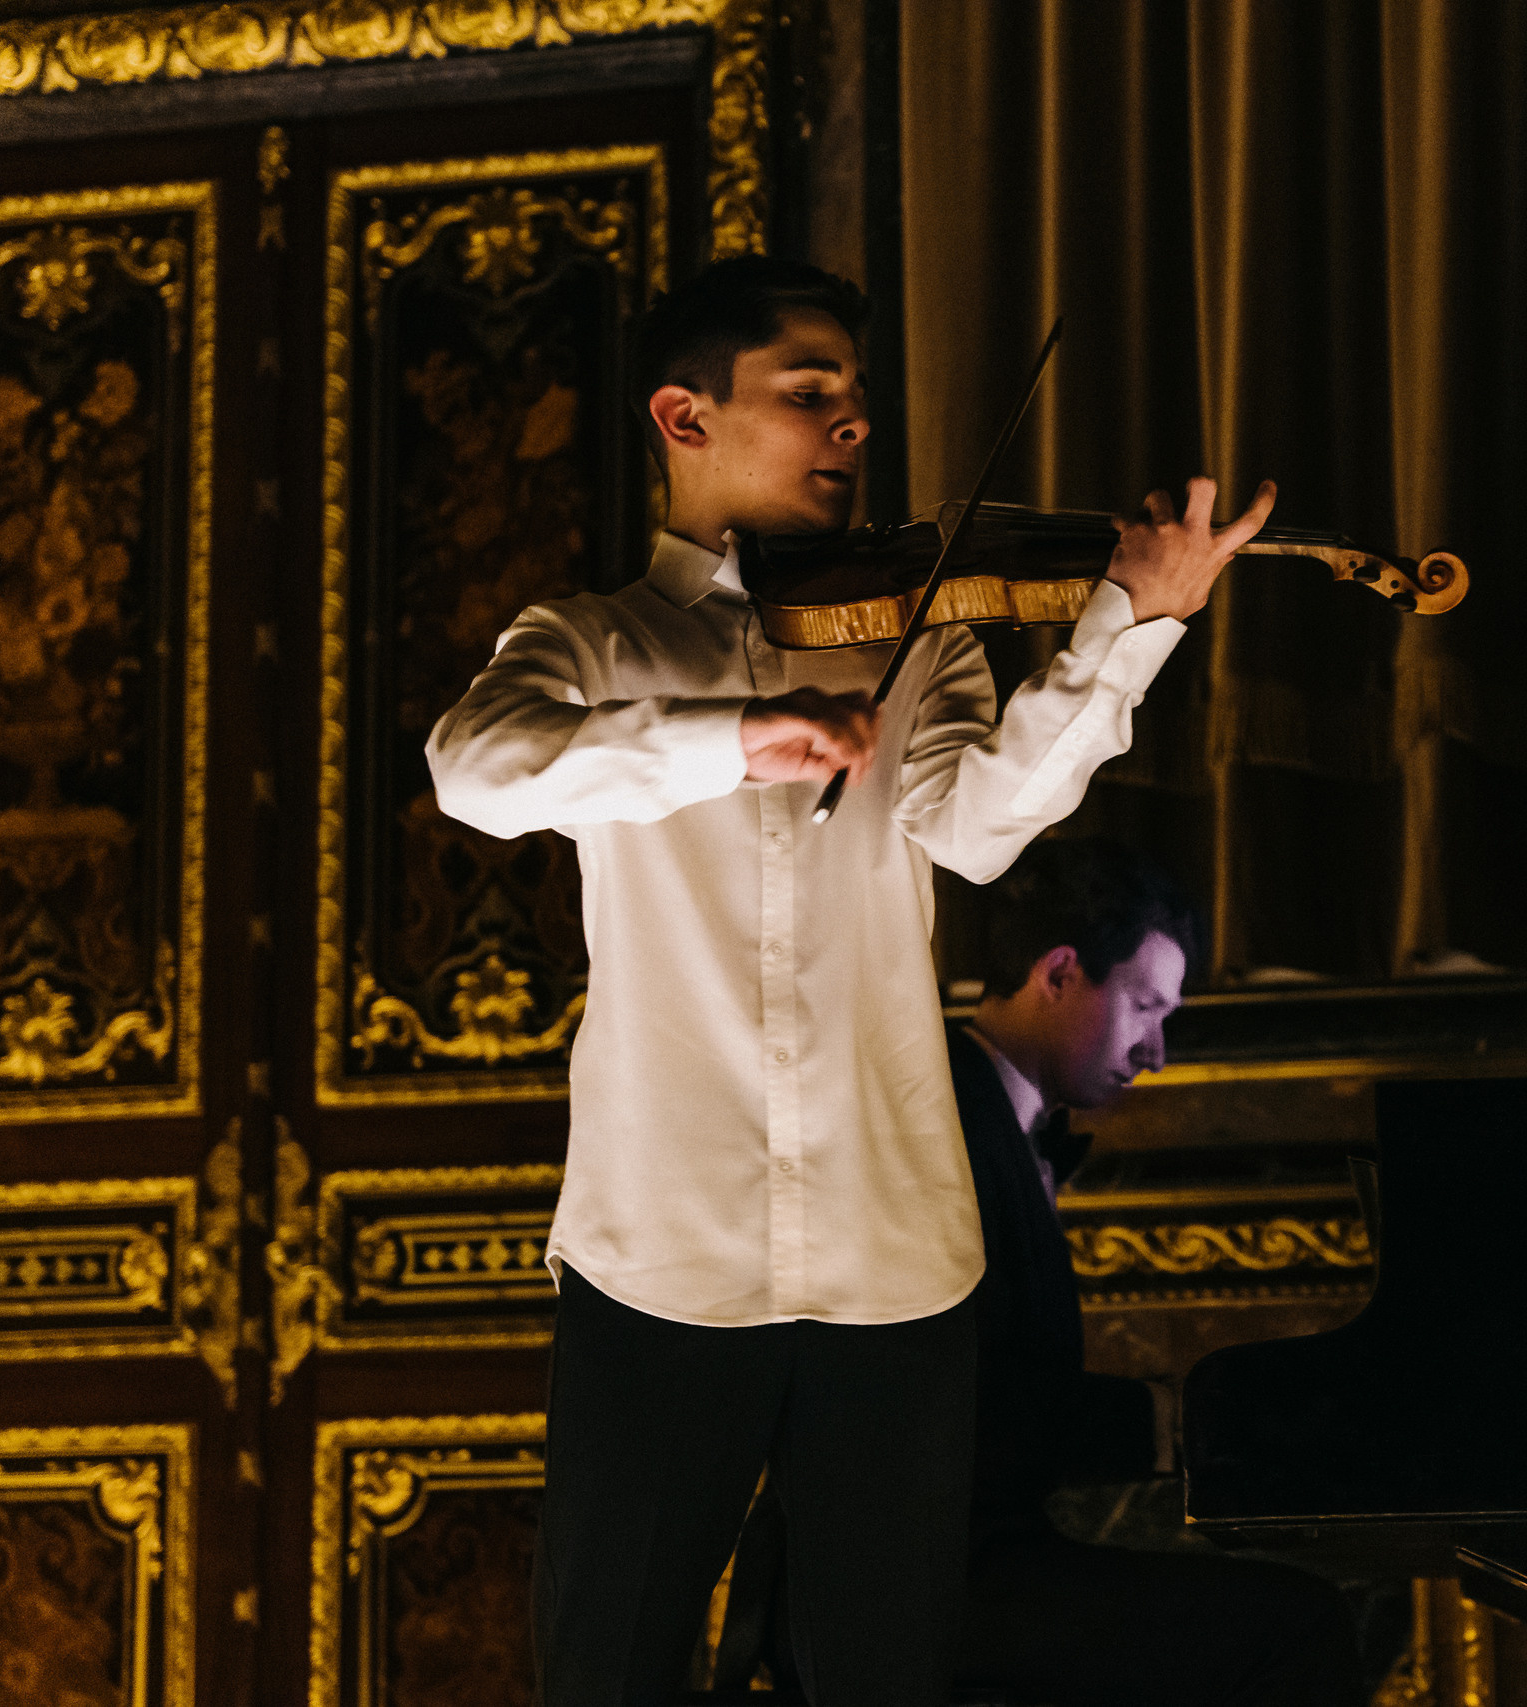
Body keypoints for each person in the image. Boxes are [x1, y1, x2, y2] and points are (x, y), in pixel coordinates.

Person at [423, 257, 1276, 1707]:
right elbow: (476, 768)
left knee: (878, 1672)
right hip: (659, 1260)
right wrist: (731, 736)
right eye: (810, 394)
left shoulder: (915, 629)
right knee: (606, 1666)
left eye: (859, 401)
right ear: (685, 416)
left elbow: (978, 821)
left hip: (896, 1260)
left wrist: (1127, 628)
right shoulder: (592, 640)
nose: (852, 427)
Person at [947, 837, 1368, 1707]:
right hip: (926, 1580)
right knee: (1300, 1626)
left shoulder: (986, 1115)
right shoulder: (946, 1120)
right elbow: (961, 1394)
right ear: (1060, 971)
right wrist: (1173, 1420)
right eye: (1145, 1006)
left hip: (972, 1556)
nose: (1156, 1052)